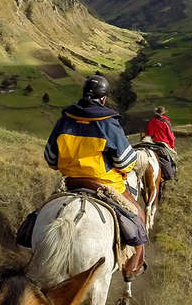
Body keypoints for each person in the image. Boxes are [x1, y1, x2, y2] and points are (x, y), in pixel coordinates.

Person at [44, 75, 147, 281]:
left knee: (41, 213)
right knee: (138, 215)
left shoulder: (64, 120)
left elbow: (50, 158)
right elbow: (126, 162)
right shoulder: (108, 123)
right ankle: (131, 267)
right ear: (104, 99)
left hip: (71, 182)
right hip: (105, 184)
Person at [143, 106, 178, 181]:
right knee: (172, 158)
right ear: (164, 112)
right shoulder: (166, 122)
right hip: (163, 143)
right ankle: (172, 174)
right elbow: (171, 136)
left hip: (152, 142)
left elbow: (149, 133)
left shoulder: (151, 121)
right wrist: (172, 146)